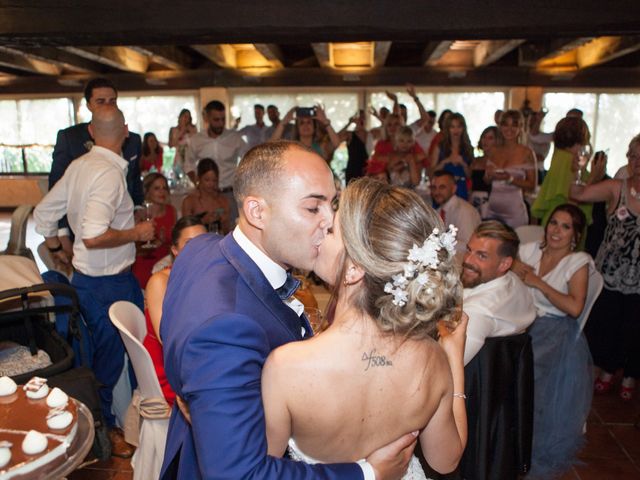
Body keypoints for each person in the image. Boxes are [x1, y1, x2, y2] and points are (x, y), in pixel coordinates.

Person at [160, 140, 418, 479]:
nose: (330, 222)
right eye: (313, 208)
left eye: (332, 204)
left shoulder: (201, 249)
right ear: (257, 212)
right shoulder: (226, 329)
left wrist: (202, 395)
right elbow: (239, 475)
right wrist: (366, 473)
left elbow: (174, 329)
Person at [262, 177, 468, 478]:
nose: (320, 227)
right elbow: (445, 460)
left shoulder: (287, 367)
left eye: (332, 228)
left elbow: (258, 472)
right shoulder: (432, 359)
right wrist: (453, 361)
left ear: (355, 268)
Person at [34, 106, 154, 458]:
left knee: (113, 353)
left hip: (89, 280)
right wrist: (137, 231)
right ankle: (109, 430)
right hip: (108, 285)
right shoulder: (108, 174)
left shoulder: (79, 166)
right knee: (113, 359)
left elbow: (43, 216)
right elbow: (93, 235)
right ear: (127, 132)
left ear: (90, 130)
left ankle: (126, 421)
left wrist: (60, 251)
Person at [512, 204, 594, 478]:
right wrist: (513, 265)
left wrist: (538, 282)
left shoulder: (577, 261)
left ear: (575, 234)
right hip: (520, 318)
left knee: (526, 370)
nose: (556, 231)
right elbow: (503, 266)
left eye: (565, 226)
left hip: (553, 328)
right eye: (553, 223)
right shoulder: (530, 250)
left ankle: (525, 437)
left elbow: (574, 308)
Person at [570, 133, 640, 401]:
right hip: (611, 272)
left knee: (635, 326)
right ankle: (608, 370)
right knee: (609, 322)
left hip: (638, 275)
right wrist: (582, 171)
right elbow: (576, 194)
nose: (637, 162)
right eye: (632, 156)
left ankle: (630, 374)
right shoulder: (616, 187)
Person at [49, 77, 143, 256]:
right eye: (100, 101)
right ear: (89, 105)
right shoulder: (70, 138)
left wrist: (138, 207)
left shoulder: (133, 139)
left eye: (112, 101)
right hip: (83, 227)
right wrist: (61, 233)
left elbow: (134, 178)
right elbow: (57, 185)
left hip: (124, 225)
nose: (108, 105)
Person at [143, 216, 207, 407]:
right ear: (175, 250)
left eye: (204, 242)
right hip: (173, 367)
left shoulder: (209, 277)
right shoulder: (159, 281)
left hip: (199, 355)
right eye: (189, 244)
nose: (199, 250)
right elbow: (167, 338)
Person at [461, 221, 535, 365]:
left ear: (505, 264)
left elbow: (446, 369)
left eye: (481, 256)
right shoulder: (512, 280)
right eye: (469, 250)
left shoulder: (477, 313)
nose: (467, 260)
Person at [184, 100, 248, 224]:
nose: (220, 124)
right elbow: (188, 164)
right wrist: (197, 182)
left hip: (229, 193)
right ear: (207, 118)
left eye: (223, 119)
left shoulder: (234, 138)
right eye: (216, 120)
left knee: (231, 232)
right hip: (204, 195)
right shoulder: (196, 140)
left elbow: (249, 159)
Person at [531, 116, 594, 227]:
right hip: (567, 222)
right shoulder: (573, 161)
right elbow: (580, 192)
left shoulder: (559, 156)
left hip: (552, 217)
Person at [484, 110, 536, 229]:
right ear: (500, 126)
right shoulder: (494, 151)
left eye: (514, 125)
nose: (509, 129)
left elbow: (532, 185)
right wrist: (489, 176)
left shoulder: (526, 152)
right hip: (492, 209)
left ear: (520, 127)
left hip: (514, 212)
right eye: (505, 124)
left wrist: (510, 179)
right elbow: (486, 181)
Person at [132, 173, 177, 289]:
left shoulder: (171, 211)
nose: (162, 192)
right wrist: (156, 244)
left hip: (165, 266)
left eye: (164, 188)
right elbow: (133, 248)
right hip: (143, 265)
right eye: (157, 188)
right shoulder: (140, 214)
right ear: (147, 191)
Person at [430, 171, 480, 257]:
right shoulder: (438, 210)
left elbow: (468, 246)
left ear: (454, 189)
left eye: (442, 187)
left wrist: (439, 241)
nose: (437, 192)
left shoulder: (464, 211)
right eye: (434, 188)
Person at [270, 105, 341, 162]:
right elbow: (271, 145)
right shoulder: (290, 147)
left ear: (314, 127)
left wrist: (325, 122)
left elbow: (336, 143)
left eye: (309, 122)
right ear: (297, 128)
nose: (305, 125)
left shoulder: (321, 147)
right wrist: (283, 123)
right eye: (301, 123)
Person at [181, 158, 231, 234]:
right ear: (199, 178)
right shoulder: (189, 201)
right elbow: (185, 230)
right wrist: (203, 221)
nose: (211, 184)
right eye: (207, 180)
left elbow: (227, 232)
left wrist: (224, 222)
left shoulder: (223, 201)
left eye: (214, 180)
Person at [432, 112, 474, 201]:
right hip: (443, 189)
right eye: (452, 127)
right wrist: (445, 162)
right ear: (448, 129)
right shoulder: (440, 147)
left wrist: (463, 164)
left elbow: (470, 175)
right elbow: (432, 172)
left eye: (459, 127)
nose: (456, 130)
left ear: (463, 128)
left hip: (461, 187)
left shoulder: (468, 148)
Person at [470, 126, 497, 218]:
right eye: (484, 137)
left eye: (490, 138)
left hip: (491, 202)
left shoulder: (499, 162)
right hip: (474, 200)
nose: (485, 141)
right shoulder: (476, 160)